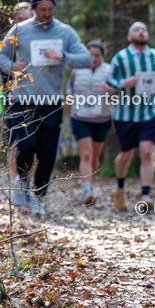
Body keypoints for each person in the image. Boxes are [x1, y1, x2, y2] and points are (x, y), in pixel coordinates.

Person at [0, 0, 92, 217]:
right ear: (34, 8)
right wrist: (13, 66)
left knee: (48, 154)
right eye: (42, 9)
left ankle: (38, 196)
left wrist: (64, 57)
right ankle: (22, 180)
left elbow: (86, 58)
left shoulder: (65, 32)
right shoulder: (20, 30)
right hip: (23, 98)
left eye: (50, 9)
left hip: (51, 101)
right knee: (26, 145)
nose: (47, 13)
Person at [104, 22, 155, 209]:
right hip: (125, 115)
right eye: (136, 29)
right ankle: (120, 188)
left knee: (147, 152)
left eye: (144, 29)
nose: (141, 32)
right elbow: (110, 81)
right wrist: (126, 82)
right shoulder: (120, 57)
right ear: (129, 36)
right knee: (125, 156)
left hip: (149, 113)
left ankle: (146, 196)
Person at [67, 40, 113, 205]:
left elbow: (117, 90)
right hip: (80, 118)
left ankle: (90, 184)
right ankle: (86, 191)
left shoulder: (109, 71)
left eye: (97, 55)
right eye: (90, 55)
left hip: (102, 119)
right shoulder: (77, 69)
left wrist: (111, 90)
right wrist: (69, 96)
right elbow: (70, 87)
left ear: (102, 56)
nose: (93, 58)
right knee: (86, 154)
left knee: (94, 157)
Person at [3, 2, 35, 193]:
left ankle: (27, 181)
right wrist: (14, 67)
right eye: (20, 19)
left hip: (38, 98)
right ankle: (17, 181)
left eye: (27, 19)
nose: (23, 22)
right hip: (13, 98)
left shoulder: (38, 40)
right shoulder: (8, 40)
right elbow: (0, 65)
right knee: (17, 141)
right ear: (13, 20)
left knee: (34, 142)